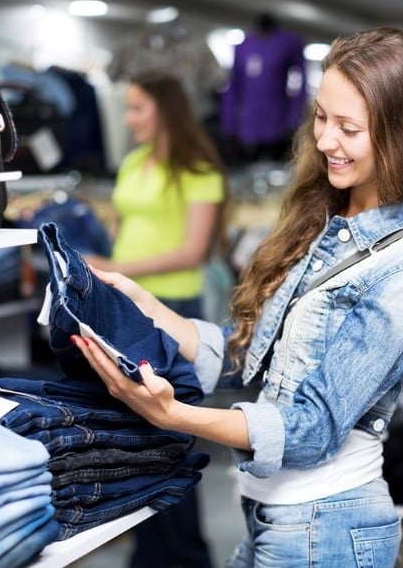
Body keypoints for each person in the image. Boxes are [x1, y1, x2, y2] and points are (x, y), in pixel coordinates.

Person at [75, 27, 403, 567]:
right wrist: (147, 307)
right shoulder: (328, 215)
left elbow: (312, 428)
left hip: (325, 529)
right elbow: (251, 353)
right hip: (269, 517)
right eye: (321, 117)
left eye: (349, 128)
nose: (324, 141)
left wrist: (175, 416)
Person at [84, 71, 229, 568]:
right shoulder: (133, 163)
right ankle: (147, 556)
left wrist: (114, 268)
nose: (128, 119)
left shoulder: (198, 168)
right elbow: (121, 237)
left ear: (165, 110)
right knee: (131, 441)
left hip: (173, 315)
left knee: (168, 441)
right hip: (122, 308)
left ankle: (188, 559)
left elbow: (192, 250)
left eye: (137, 108)